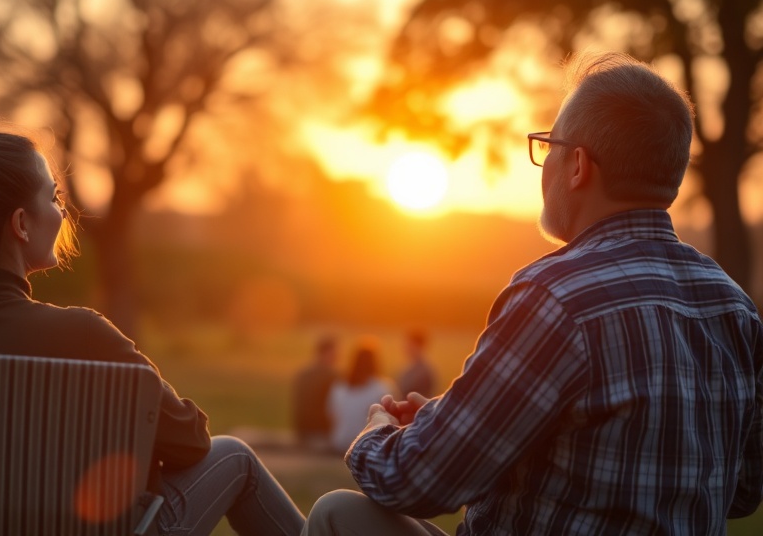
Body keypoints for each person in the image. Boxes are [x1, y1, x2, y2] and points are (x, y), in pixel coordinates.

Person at [302, 52, 763, 535]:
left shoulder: (556, 296)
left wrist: (376, 430)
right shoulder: (734, 306)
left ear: (578, 165)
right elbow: (746, 489)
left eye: (549, 147)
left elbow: (417, 482)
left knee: (338, 514)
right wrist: (465, 424)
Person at [0, 123, 305, 536]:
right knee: (235, 457)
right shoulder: (83, 335)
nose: (62, 212)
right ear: (20, 224)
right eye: (53, 198)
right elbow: (191, 442)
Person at [326, 335, 396, 453]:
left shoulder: (339, 387)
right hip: (365, 444)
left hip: (340, 441)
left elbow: (331, 415)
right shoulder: (383, 387)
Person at [292, 333, 340, 450]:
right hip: (321, 432)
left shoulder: (303, 374)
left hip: (302, 430)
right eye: (335, 352)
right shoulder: (332, 376)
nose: (338, 356)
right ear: (327, 353)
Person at [396, 328, 436, 398]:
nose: (405, 347)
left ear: (418, 346)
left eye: (409, 344)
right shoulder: (408, 367)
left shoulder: (424, 370)